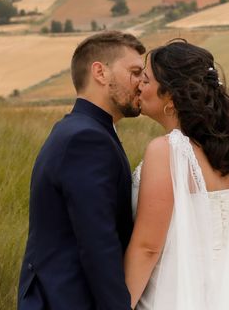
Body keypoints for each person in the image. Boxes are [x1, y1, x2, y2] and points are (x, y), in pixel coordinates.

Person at [124, 39, 229, 310]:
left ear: (170, 97)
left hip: (175, 297)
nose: (139, 85)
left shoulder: (168, 150)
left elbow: (147, 248)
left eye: (146, 80)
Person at [18, 30, 146, 310]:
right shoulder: (86, 140)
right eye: (135, 72)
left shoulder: (81, 130)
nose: (142, 84)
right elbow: (98, 243)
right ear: (100, 72)